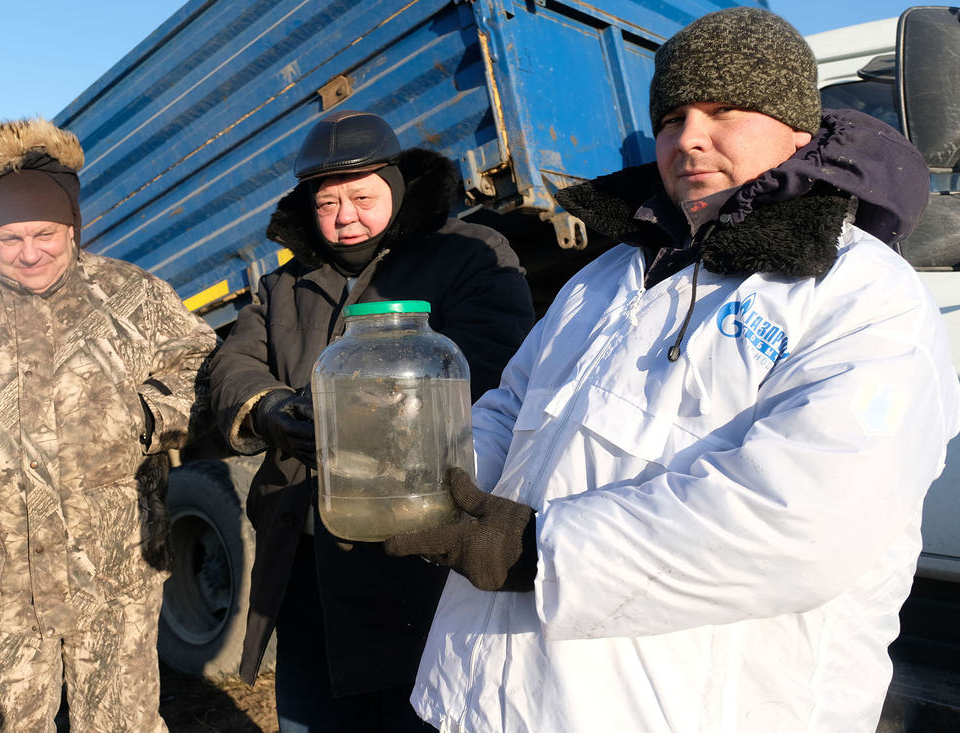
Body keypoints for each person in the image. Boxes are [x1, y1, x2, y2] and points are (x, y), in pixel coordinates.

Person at [384, 7, 960, 732]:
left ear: (800, 131)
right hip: (480, 694)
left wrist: (538, 550)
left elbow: (802, 523)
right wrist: (424, 484)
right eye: (672, 117)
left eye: (725, 110)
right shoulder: (604, 278)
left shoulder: (861, 294)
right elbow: (513, 409)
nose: (689, 138)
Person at [0, 117, 217, 732]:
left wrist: (141, 416)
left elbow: (202, 374)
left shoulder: (132, 297)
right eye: (10, 238)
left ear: (74, 227)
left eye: (47, 233)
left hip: (115, 575)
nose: (31, 252)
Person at [209, 109, 535, 732]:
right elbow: (233, 364)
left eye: (363, 197)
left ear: (398, 188)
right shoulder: (285, 285)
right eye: (326, 202)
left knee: (422, 714)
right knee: (314, 717)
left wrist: (348, 413)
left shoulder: (468, 255)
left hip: (420, 556)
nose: (344, 216)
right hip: (308, 563)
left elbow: (494, 366)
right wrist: (271, 409)